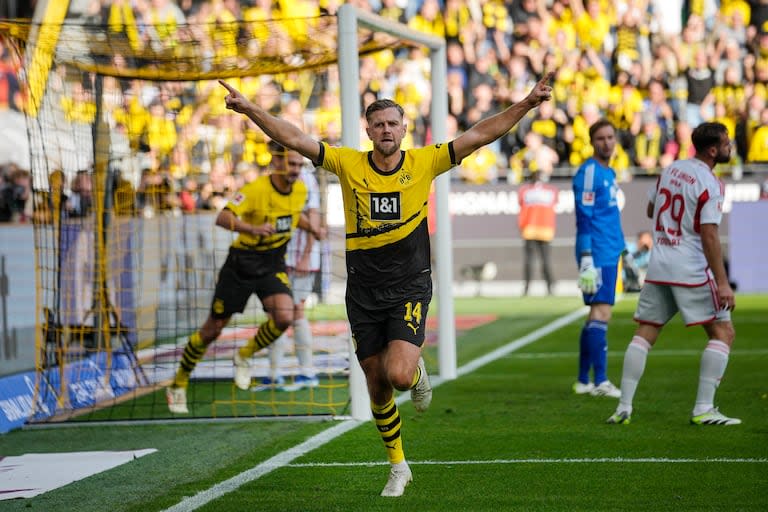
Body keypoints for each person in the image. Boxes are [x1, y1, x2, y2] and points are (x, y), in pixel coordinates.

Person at [219, 71, 554, 497]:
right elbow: (296, 138)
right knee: (375, 383)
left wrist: (526, 104)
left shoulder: (425, 161)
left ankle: (414, 372)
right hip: (362, 290)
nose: (386, 130)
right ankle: (398, 465)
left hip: (409, 284)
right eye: (378, 124)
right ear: (368, 130)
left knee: (397, 375)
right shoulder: (347, 163)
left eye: (393, 123)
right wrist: (250, 110)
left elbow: (480, 135)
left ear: (404, 128)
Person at [166, 141, 317, 414]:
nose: (296, 169)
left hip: (273, 263)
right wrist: (252, 228)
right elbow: (223, 217)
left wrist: (313, 228)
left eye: (299, 164)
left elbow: (293, 216)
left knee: (285, 316)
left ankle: (244, 354)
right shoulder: (254, 190)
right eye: (291, 163)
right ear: (279, 162)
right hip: (241, 264)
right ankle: (178, 383)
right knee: (212, 329)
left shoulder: (302, 191)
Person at [607, 122, 740, 426]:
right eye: (726, 143)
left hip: (659, 264)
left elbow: (653, 210)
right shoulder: (711, 183)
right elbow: (708, 234)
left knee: (645, 332)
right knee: (723, 333)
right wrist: (722, 282)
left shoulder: (671, 169)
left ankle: (623, 407)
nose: (729, 147)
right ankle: (703, 408)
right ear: (713, 150)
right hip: (690, 267)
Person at [571, 119, 626, 398]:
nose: (607, 142)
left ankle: (583, 380)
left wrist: (623, 249)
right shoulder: (589, 173)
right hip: (597, 252)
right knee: (602, 313)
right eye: (601, 138)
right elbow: (584, 218)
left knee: (595, 314)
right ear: (592, 142)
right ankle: (601, 381)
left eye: (610, 137)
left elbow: (609, 217)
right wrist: (586, 257)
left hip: (610, 250)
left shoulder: (609, 172)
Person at [259, 164, 324, 391]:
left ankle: (307, 372)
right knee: (275, 313)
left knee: (295, 310)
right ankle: (274, 374)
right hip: (278, 256)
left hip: (299, 258)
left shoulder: (305, 177)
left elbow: (313, 222)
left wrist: (306, 256)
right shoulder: (272, 175)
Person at [517, 170, 558, 295]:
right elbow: (555, 202)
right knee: (546, 260)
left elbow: (520, 203)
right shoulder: (551, 191)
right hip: (546, 229)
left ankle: (527, 288)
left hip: (529, 228)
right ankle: (550, 287)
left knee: (529, 260)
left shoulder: (524, 190)